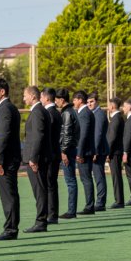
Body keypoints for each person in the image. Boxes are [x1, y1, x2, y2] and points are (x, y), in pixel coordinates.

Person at [0, 79, 22, 240]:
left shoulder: (6, 109)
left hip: (6, 160)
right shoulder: (6, 108)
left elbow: (3, 136)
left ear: (2, 92)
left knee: (8, 195)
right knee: (9, 194)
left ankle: (10, 229)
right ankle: (11, 227)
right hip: (8, 159)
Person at [22, 86, 52, 233]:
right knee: (40, 190)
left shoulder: (38, 112)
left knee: (39, 190)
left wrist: (33, 158)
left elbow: (38, 136)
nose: (23, 99)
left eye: (25, 96)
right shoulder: (40, 111)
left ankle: (41, 221)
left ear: (33, 96)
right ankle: (41, 220)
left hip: (37, 159)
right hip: (38, 158)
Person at [55, 89, 79, 219]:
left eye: (57, 99)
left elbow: (67, 134)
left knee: (70, 181)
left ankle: (71, 211)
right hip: (70, 149)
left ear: (62, 100)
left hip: (68, 150)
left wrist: (63, 151)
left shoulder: (67, 113)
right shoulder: (71, 111)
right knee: (71, 180)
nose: (56, 102)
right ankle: (71, 210)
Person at [40, 87, 62, 224]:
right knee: (51, 184)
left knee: (49, 185)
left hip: (51, 154)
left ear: (47, 98)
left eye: (41, 97)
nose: (40, 100)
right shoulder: (55, 112)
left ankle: (52, 214)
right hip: (54, 153)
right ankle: (52, 213)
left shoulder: (50, 113)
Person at [73, 90, 96, 215]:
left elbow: (83, 134)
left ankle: (89, 206)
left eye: (75, 100)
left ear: (80, 100)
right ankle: (89, 205)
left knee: (86, 178)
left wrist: (79, 153)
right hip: (85, 150)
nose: (74, 102)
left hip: (85, 152)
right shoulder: (84, 112)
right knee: (85, 178)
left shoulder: (84, 113)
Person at [87, 92, 109, 211]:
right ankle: (100, 201)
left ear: (97, 102)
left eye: (92, 101)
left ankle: (100, 203)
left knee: (99, 176)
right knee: (97, 176)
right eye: (88, 102)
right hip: (96, 149)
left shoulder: (99, 114)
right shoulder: (93, 113)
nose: (89, 104)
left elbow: (98, 133)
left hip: (99, 150)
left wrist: (94, 150)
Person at [107, 97, 126, 208]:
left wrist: (108, 153)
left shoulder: (116, 119)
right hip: (116, 151)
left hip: (114, 152)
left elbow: (112, 138)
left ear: (113, 106)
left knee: (116, 177)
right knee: (116, 176)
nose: (108, 107)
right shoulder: (118, 118)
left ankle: (119, 201)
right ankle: (119, 200)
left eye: (109, 105)